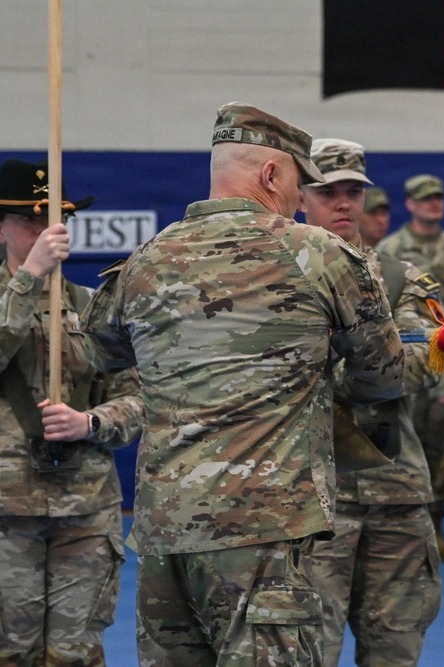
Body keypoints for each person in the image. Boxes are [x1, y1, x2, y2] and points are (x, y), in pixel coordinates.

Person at [80, 102, 405, 664]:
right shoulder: (317, 253)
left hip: (164, 531)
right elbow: (382, 375)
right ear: (272, 174)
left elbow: (101, 353)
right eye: (300, 184)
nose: (301, 199)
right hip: (263, 531)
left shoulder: (146, 259)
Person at [298, 138, 443, 664]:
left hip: (394, 490)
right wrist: (368, 361)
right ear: (300, 196)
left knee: (396, 648)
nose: (343, 203)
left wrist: (326, 369)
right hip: (309, 497)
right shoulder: (276, 282)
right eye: (328, 191)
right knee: (310, 647)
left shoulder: (400, 279)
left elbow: (420, 364)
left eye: (353, 191)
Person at [0, 158, 142, 665]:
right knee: (10, 652)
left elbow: (139, 395)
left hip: (84, 507)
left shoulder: (92, 307)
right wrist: (30, 276)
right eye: (28, 220)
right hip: (7, 513)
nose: (45, 231)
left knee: (74, 654)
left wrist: (92, 422)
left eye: (55, 218)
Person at [376, 173, 444, 563]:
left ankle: (438, 525)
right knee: (413, 446)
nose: (434, 204)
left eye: (439, 197)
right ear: (409, 204)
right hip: (408, 365)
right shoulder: (390, 250)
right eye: (425, 199)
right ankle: (412, 529)